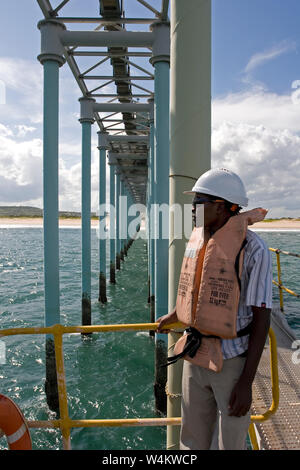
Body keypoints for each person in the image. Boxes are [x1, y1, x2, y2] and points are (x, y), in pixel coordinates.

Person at [157, 168, 273, 450]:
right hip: (195, 355)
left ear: (222, 208)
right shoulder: (199, 240)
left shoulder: (255, 250)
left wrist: (246, 382)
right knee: (191, 439)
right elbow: (196, 289)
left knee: (229, 442)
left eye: (199, 202)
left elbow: (262, 319)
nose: (193, 209)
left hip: (232, 363)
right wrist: (175, 315)